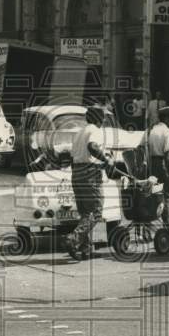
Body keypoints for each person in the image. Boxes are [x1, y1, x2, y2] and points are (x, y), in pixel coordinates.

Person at [68, 106, 115, 259]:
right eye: (103, 119)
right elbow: (92, 146)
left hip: (77, 173)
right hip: (90, 174)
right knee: (95, 212)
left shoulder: (79, 132)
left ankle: (84, 248)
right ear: (98, 119)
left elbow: (73, 157)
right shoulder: (95, 130)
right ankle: (73, 238)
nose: (103, 122)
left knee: (85, 214)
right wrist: (106, 160)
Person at [148, 107, 169, 227]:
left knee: (151, 195)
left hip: (150, 165)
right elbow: (167, 156)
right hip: (161, 165)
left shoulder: (150, 130)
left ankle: (148, 226)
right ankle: (167, 227)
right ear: (166, 118)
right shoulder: (167, 132)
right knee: (165, 197)